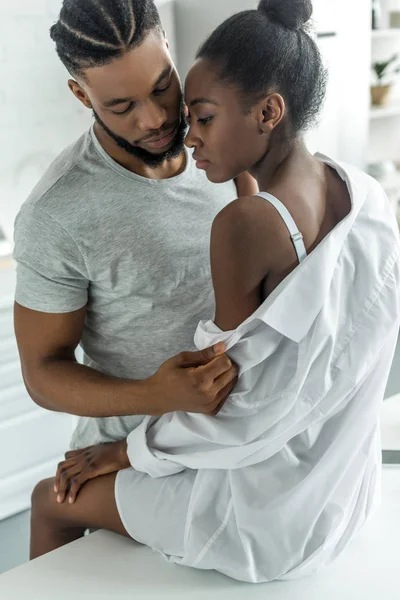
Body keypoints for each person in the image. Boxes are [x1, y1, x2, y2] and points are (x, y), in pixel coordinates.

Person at [25, 0, 400, 584]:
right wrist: (152, 394)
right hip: (144, 445)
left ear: (171, 53)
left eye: (162, 89)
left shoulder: (229, 168)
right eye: (121, 106)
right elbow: (42, 374)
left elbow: (258, 375)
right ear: (82, 96)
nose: (155, 120)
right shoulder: (58, 212)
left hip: (230, 446)